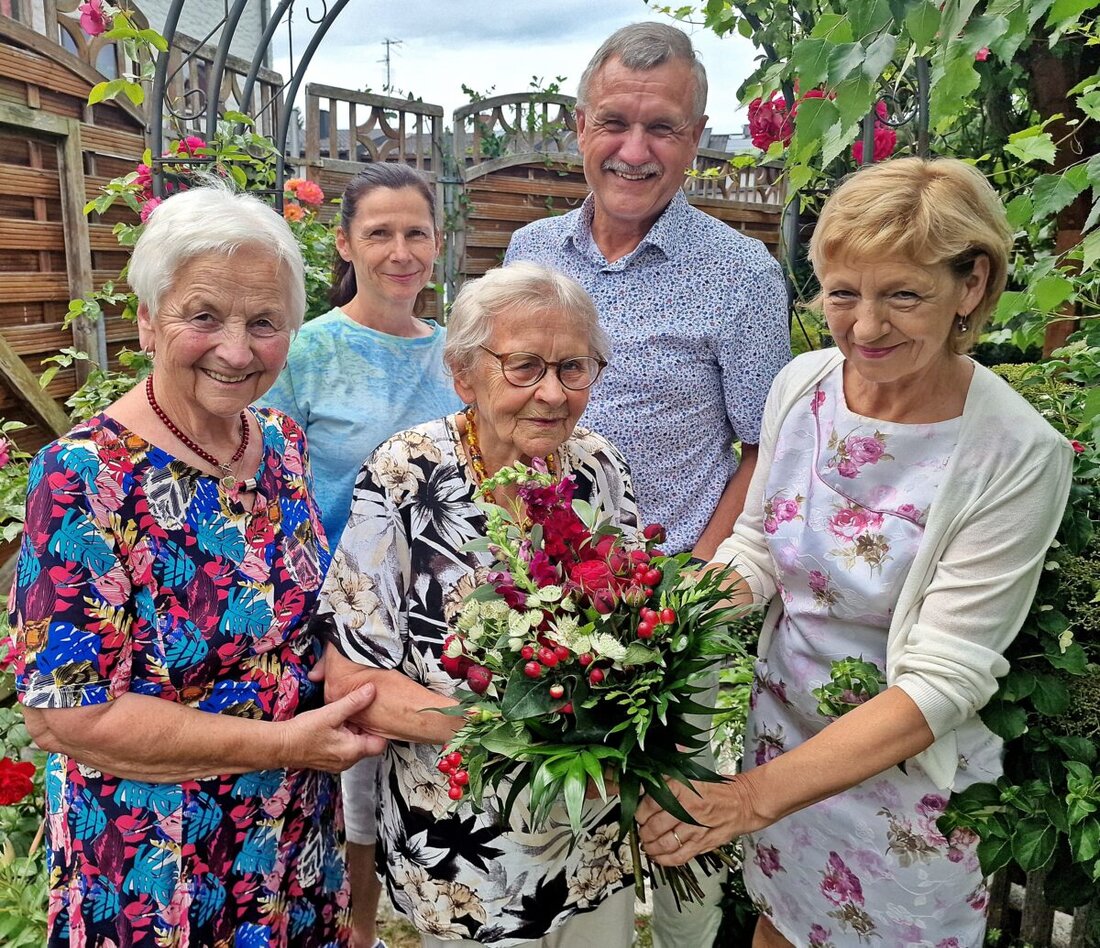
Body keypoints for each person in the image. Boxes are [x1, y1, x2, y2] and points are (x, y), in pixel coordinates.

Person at [637, 158, 1074, 947]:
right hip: (780, 740)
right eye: (844, 294)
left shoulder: (1017, 453)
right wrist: (659, 628)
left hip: (906, 785)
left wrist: (749, 798)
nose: (865, 329)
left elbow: (945, 680)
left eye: (903, 294)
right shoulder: (802, 386)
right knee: (779, 921)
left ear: (971, 286)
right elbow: (760, 545)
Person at [8, 184, 385, 947]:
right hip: (159, 867)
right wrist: (285, 744)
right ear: (147, 319)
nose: (237, 349)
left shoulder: (278, 443)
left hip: (291, 849)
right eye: (203, 315)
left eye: (264, 322)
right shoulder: (83, 477)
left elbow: (299, 621)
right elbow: (66, 717)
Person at [505, 24, 791, 943]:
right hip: (544, 610)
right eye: (616, 122)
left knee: (683, 862)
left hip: (676, 611)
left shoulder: (742, 276)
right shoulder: (529, 251)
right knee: (555, 847)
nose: (635, 150)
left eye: (663, 128)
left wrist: (702, 581)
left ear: (697, 137)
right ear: (580, 124)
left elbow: (766, 447)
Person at [315, 262, 640, 948]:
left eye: (573, 367)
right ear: (464, 374)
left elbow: (636, 625)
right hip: (465, 849)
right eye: (523, 366)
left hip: (591, 838)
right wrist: (524, 733)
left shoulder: (598, 465)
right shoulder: (406, 472)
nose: (552, 393)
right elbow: (355, 683)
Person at [262, 163, 462, 948]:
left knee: (417, 785)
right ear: (345, 242)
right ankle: (358, 932)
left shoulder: (457, 356)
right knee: (349, 797)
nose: (400, 250)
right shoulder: (306, 352)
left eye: (416, 232)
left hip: (439, 619)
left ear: (437, 244)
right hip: (332, 621)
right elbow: (269, 486)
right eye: (379, 232)